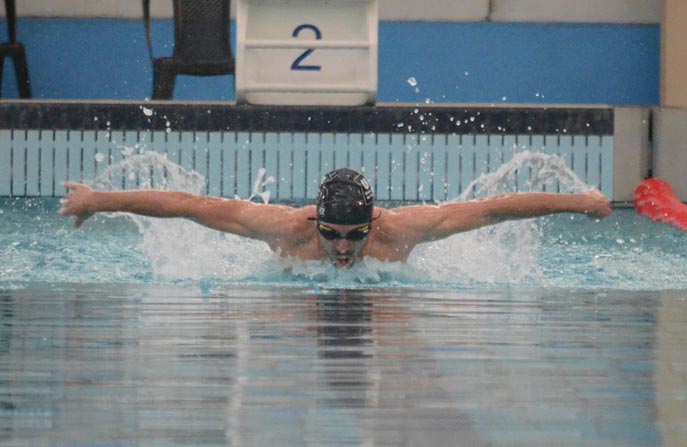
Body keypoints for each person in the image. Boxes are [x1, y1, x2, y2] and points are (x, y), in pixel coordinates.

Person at [60, 167, 612, 269]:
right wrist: (99, 199)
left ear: (374, 222)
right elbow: (187, 207)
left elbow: (494, 210)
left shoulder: (401, 231)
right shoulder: (286, 230)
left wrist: (582, 202)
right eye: (333, 235)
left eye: (355, 236)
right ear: (315, 223)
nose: (343, 249)